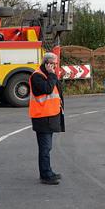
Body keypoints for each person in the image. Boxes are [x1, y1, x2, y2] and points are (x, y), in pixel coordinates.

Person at [30, 52, 65, 185]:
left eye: (56, 64)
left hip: (49, 116)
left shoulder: (47, 75)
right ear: (47, 63)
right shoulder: (37, 76)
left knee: (47, 147)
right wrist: (52, 74)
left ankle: (48, 171)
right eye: (54, 64)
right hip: (42, 117)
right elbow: (48, 89)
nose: (55, 67)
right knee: (45, 148)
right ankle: (45, 175)